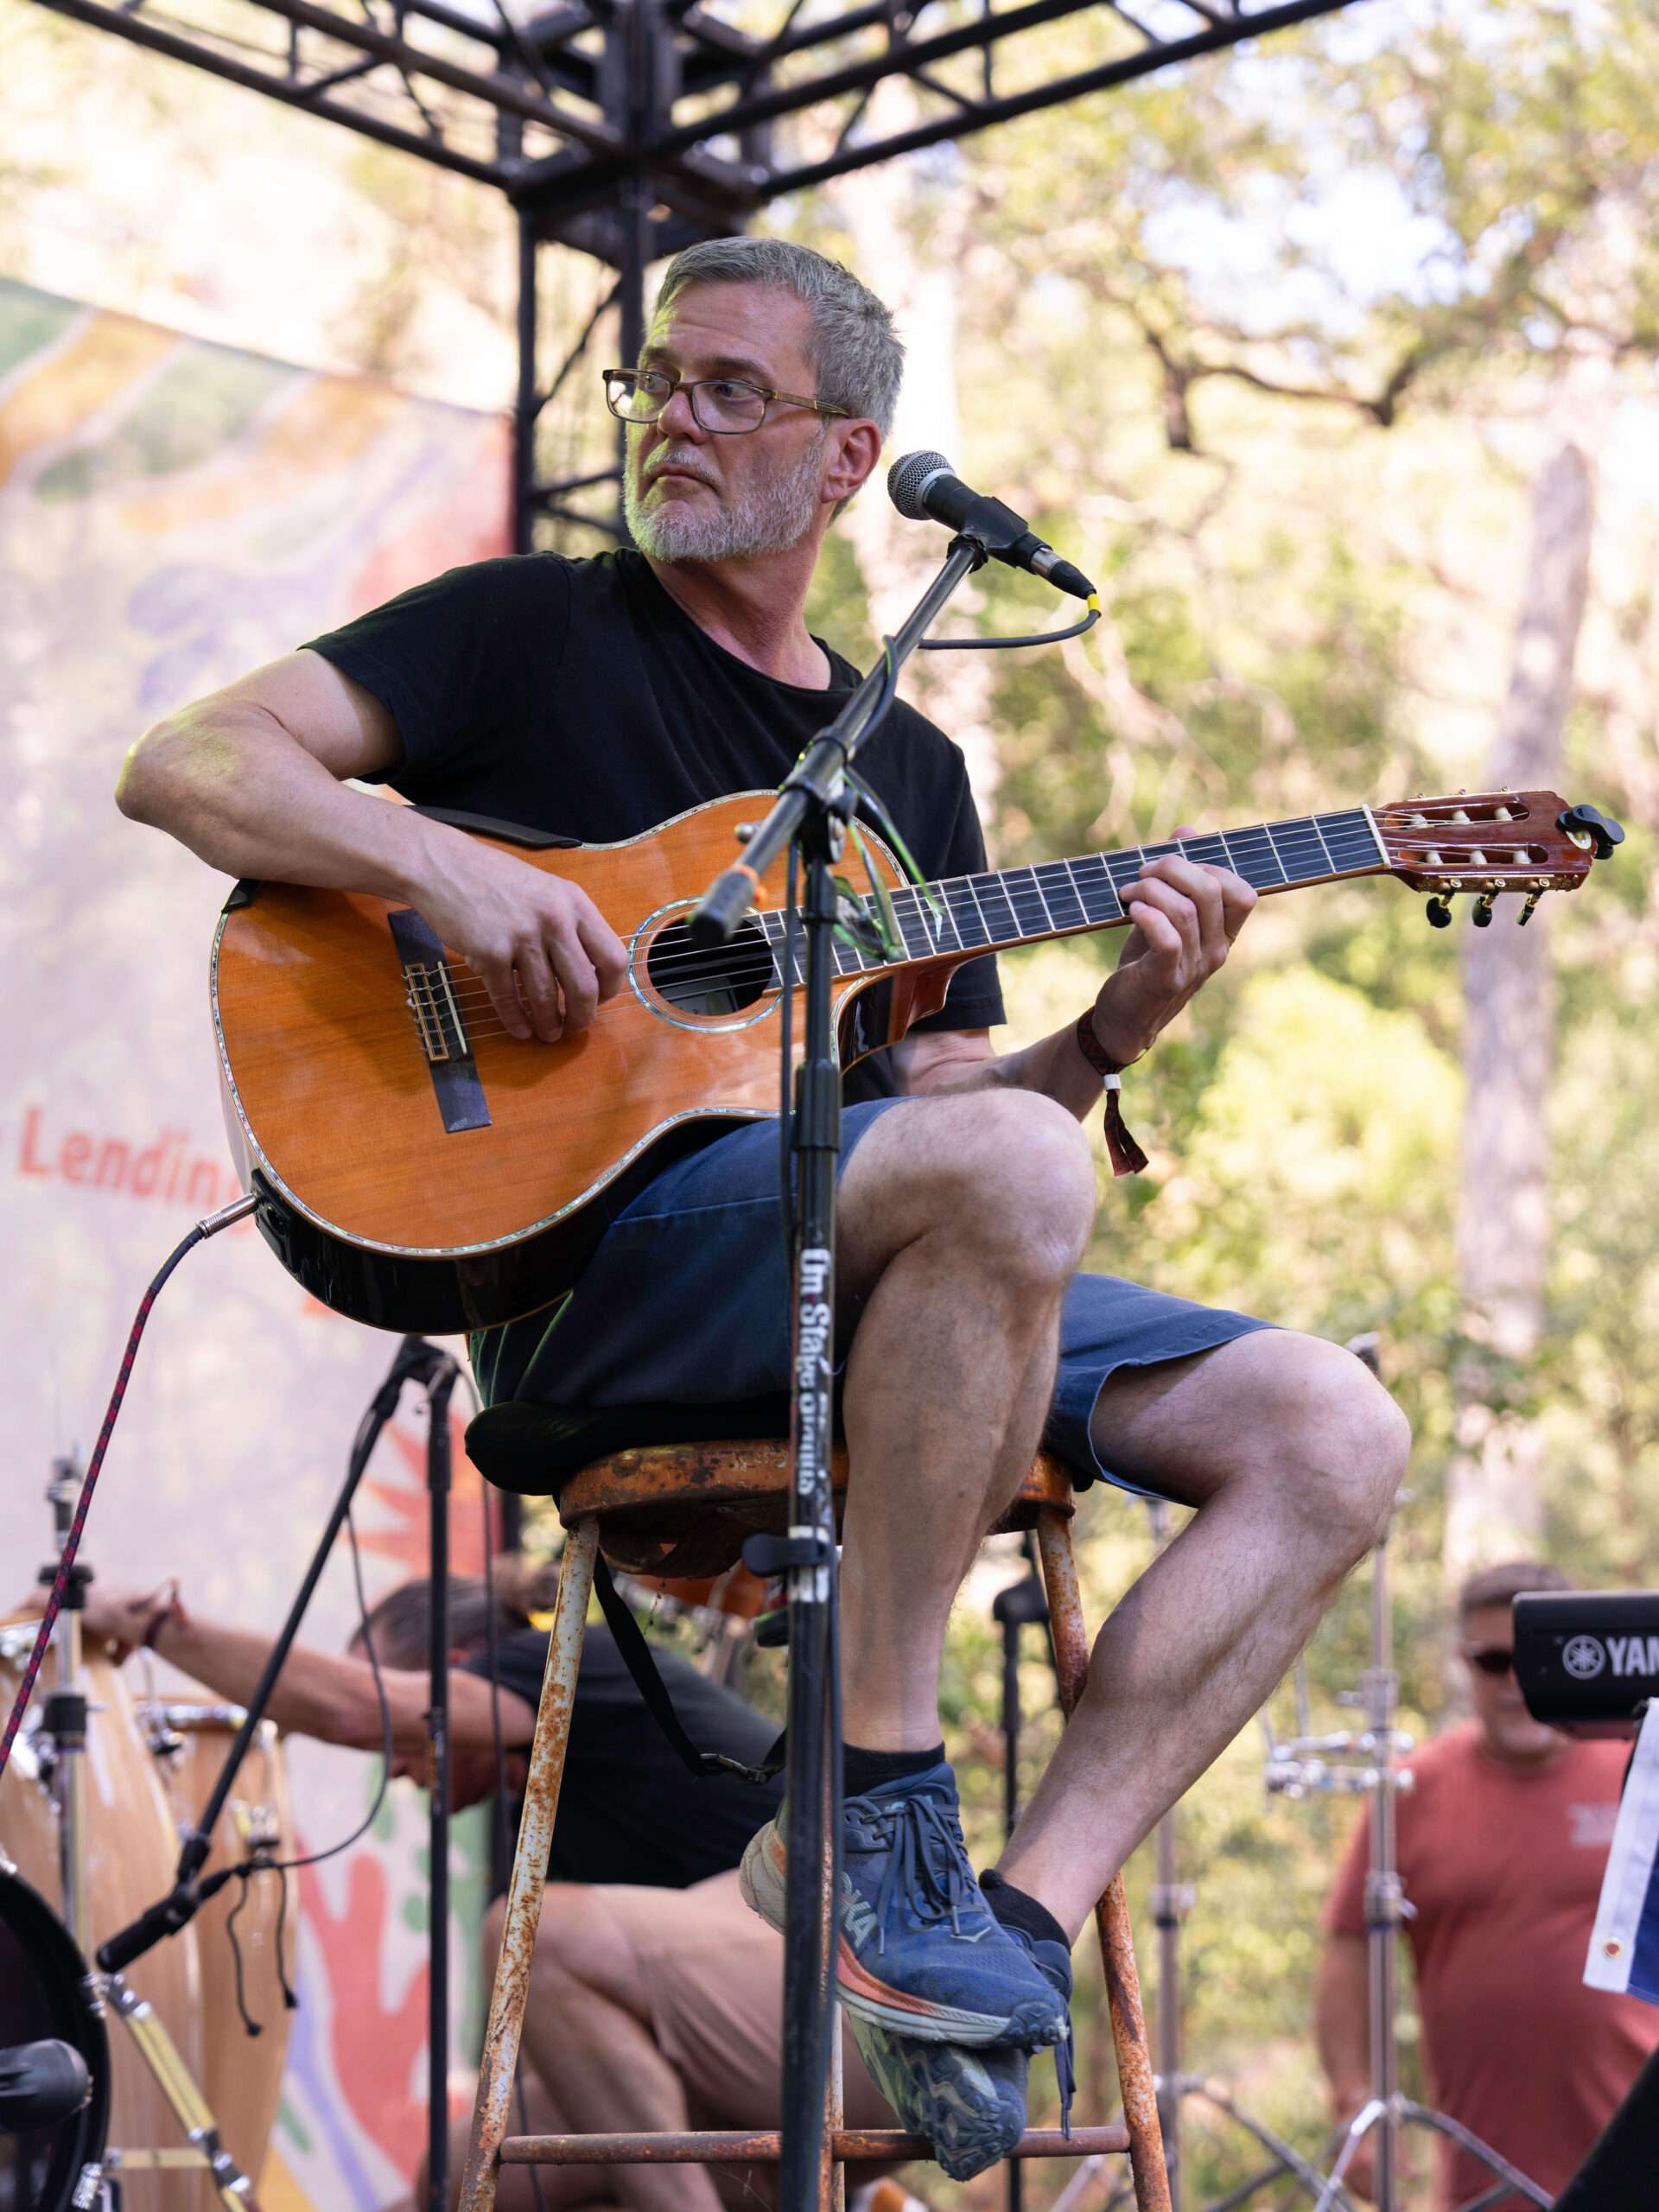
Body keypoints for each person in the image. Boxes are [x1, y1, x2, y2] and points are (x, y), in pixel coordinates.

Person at [114, 233, 1409, 2173]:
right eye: (657, 381)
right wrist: (444, 872)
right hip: (599, 1271)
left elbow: (978, 1142)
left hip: (866, 1271)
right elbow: (187, 759)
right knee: (1006, 1174)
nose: (673, 419)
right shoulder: (528, 631)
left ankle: (1004, 1930)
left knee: (1334, 1426)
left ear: (845, 456)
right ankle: (871, 1794)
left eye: (729, 388)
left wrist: (1111, 1032)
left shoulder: (914, 775)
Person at [42, 1563, 908, 2211]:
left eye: (405, 1719)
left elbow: (355, 1708)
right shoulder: (533, 1821)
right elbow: (570, 2066)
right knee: (460, 2174)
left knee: (536, 1936)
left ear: (458, 1667)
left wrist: (158, 1627)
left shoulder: (566, 1660)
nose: (394, 1764)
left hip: (872, 2006)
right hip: (778, 2038)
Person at [1316, 1560, 1659, 2209]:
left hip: (1642, 2168)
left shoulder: (1645, 1773)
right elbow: (1349, 1946)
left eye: (1539, 1660)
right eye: (1494, 1661)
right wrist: (1353, 2101)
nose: (1517, 1682)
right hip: (1483, 2182)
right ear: (1462, 1662)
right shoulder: (1410, 1789)